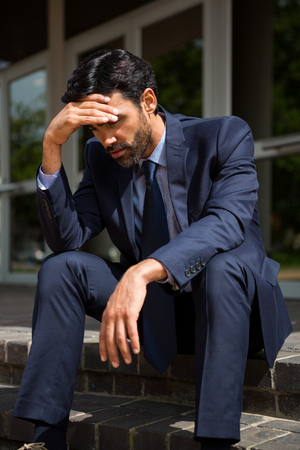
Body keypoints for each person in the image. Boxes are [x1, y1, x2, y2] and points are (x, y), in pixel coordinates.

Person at [14, 49, 292, 450]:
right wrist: (52, 145)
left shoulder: (223, 136)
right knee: (61, 268)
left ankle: (215, 441)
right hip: (158, 315)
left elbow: (227, 224)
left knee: (222, 267)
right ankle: (45, 436)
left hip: (231, 313)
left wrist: (143, 270)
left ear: (147, 101)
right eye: (94, 129)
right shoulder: (102, 158)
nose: (106, 139)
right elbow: (67, 238)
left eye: (114, 122)